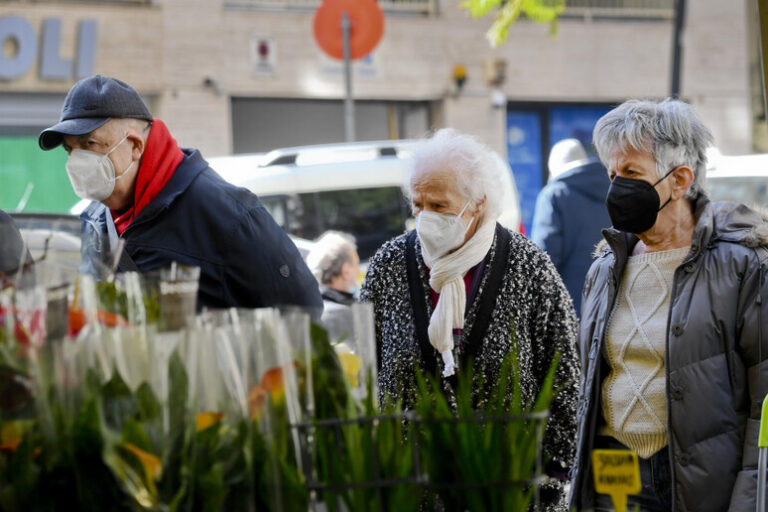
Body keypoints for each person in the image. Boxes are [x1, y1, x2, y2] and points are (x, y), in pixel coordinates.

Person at [361, 128, 580, 509]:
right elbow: (364, 371)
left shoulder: (529, 268)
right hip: (409, 493)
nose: (425, 216)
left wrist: (552, 485)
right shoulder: (388, 266)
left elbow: (564, 380)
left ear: (477, 202)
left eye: (439, 205)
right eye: (417, 203)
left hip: (506, 493)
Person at [569, 99, 768, 512]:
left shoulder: (744, 266)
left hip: (702, 484)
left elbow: (763, 406)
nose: (615, 188)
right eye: (612, 174)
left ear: (679, 180)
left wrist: (749, 499)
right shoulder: (605, 267)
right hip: (614, 474)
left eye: (631, 173)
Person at [38, 75, 322, 312]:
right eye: (70, 149)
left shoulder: (229, 214)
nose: (76, 160)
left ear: (135, 145)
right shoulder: (95, 221)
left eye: (89, 144)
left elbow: (302, 315)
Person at [531, 139, 611, 314]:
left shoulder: (554, 194)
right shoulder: (612, 189)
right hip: (611, 302)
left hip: (570, 308)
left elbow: (544, 257)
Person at [306, 231, 361, 342]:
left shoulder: (309, 307)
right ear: (345, 271)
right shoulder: (345, 315)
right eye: (356, 265)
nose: (359, 271)